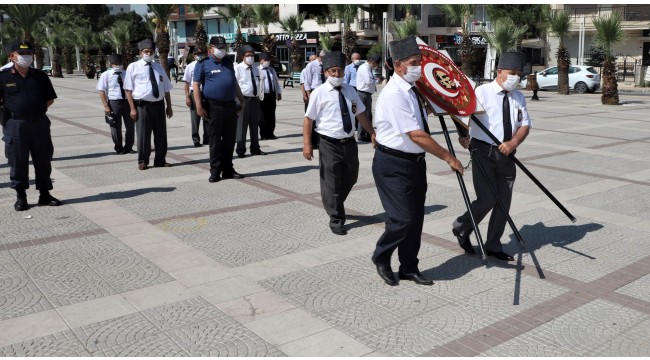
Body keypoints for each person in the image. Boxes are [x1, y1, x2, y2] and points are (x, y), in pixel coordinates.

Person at [371, 36, 464, 286]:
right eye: (414, 62)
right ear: (398, 64)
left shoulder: (413, 90)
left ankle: (409, 267)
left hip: (414, 163)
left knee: (415, 219)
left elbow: (429, 116)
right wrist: (448, 157)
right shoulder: (394, 94)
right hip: (392, 164)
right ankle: (381, 256)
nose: (419, 66)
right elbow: (417, 134)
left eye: (420, 61)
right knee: (402, 219)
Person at [452, 52, 531, 262]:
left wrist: (513, 143)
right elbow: (461, 114)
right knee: (487, 198)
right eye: (511, 73)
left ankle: (493, 244)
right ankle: (462, 226)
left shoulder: (518, 96)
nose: (515, 77)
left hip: (508, 154)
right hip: (483, 151)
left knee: (503, 201)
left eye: (518, 74)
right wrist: (463, 136)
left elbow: (525, 125)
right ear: (499, 72)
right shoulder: (482, 92)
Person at [303, 51, 376, 236]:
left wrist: (372, 132)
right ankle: (336, 219)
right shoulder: (319, 93)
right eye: (333, 71)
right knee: (332, 181)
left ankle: (333, 203)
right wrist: (307, 144)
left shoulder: (350, 90)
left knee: (352, 176)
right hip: (329, 143)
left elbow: (360, 113)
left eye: (340, 71)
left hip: (349, 142)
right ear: (326, 73)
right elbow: (308, 120)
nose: (337, 75)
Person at [0, 40, 61, 211]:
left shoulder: (40, 76)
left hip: (39, 123)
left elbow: (50, 99)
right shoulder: (3, 77)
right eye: (22, 54)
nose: (26, 57)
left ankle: (45, 194)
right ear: (12, 56)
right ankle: (21, 197)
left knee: (43, 159)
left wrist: (35, 111)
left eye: (29, 54)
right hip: (16, 124)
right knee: (17, 161)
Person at [193, 36, 247, 183]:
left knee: (230, 140)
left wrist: (241, 99)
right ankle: (215, 171)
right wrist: (198, 106)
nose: (222, 50)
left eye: (224, 48)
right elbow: (196, 85)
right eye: (219, 47)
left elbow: (234, 83)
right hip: (213, 107)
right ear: (211, 48)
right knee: (215, 140)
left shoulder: (228, 63)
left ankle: (228, 169)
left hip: (230, 106)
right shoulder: (203, 64)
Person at [123, 39, 174, 170]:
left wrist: (169, 106)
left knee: (161, 135)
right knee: (143, 135)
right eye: (146, 52)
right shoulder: (133, 67)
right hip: (142, 106)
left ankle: (160, 160)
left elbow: (166, 88)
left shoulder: (158, 67)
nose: (149, 54)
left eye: (151, 52)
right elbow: (128, 90)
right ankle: (143, 160)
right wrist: (132, 109)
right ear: (140, 53)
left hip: (159, 105)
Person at [96, 53, 135, 155]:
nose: (118, 66)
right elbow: (102, 91)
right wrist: (106, 106)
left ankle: (129, 147)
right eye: (115, 64)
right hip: (114, 102)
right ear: (111, 64)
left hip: (127, 102)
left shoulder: (126, 74)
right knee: (115, 127)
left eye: (120, 63)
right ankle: (119, 147)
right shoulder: (106, 75)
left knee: (130, 127)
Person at [235, 45, 266, 158]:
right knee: (242, 126)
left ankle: (255, 148)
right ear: (243, 57)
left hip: (255, 100)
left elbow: (260, 83)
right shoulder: (238, 68)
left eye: (252, 55)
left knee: (254, 126)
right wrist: (238, 101)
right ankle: (240, 149)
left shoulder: (256, 68)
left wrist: (260, 96)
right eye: (248, 56)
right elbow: (235, 85)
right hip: (243, 100)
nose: (250, 58)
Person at [183, 46, 209, 147]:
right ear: (194, 55)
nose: (200, 56)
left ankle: (207, 137)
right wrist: (187, 97)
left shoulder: (207, 65)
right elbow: (186, 83)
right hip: (194, 93)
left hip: (206, 92)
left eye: (202, 54)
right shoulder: (190, 66)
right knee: (195, 117)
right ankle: (195, 139)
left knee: (207, 116)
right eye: (198, 54)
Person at [355, 54, 381, 142]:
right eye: (376, 64)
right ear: (373, 62)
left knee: (368, 115)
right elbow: (369, 81)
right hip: (363, 94)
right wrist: (377, 81)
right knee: (364, 115)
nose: (376, 67)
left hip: (366, 94)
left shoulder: (367, 68)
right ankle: (362, 135)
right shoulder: (365, 68)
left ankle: (366, 134)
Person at [258, 52, 282, 140]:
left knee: (271, 115)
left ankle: (271, 133)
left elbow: (276, 82)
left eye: (268, 60)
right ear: (260, 61)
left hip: (271, 95)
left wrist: (279, 93)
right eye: (265, 60)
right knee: (262, 116)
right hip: (262, 96)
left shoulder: (271, 70)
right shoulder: (257, 70)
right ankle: (264, 134)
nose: (267, 62)